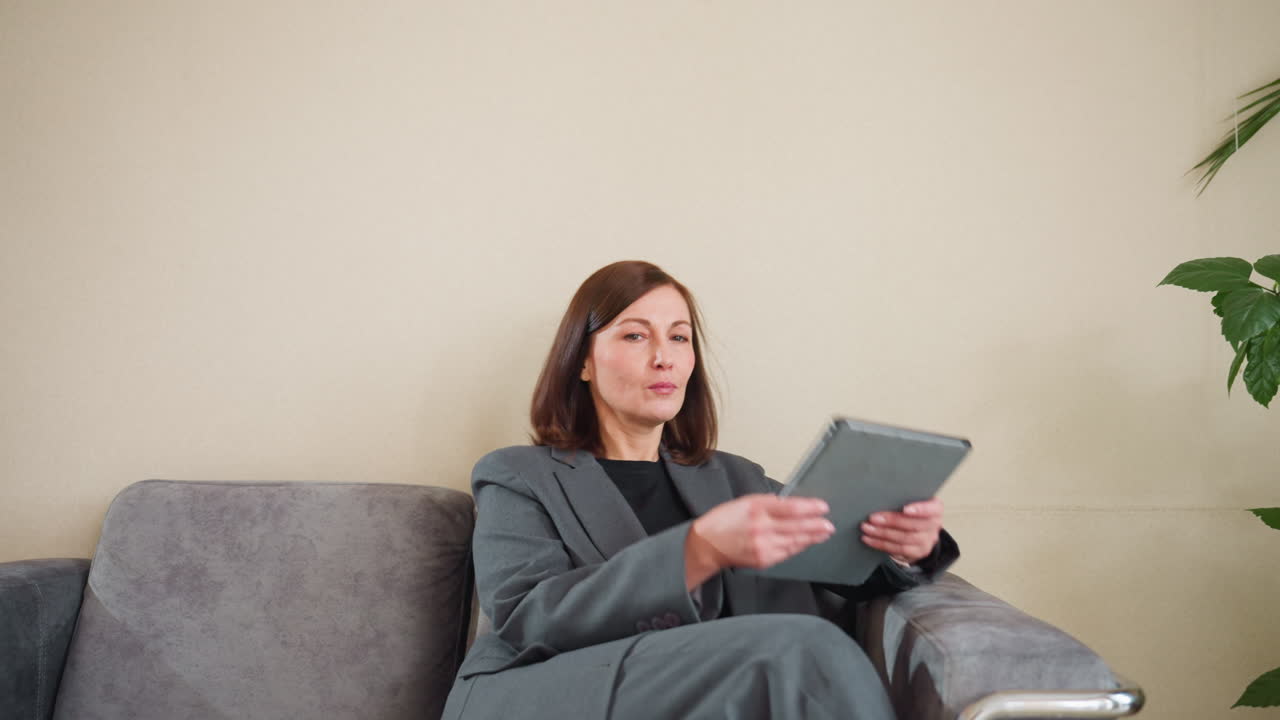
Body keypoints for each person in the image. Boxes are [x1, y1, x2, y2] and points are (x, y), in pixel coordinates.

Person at [441, 261, 958, 720]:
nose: (664, 357)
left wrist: (908, 544)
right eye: (635, 336)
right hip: (556, 692)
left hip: (717, 695)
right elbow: (527, 619)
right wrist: (697, 550)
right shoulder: (516, 475)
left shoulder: (737, 480)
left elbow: (841, 556)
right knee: (797, 649)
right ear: (584, 361)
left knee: (794, 650)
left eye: (680, 337)